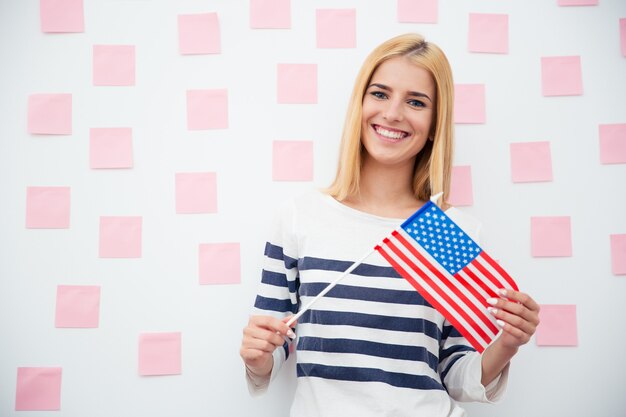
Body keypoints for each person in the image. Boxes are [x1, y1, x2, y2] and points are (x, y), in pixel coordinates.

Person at [239, 33, 540, 417]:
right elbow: (270, 349)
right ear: (360, 103)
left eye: (416, 102)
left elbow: (456, 374)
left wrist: (508, 342)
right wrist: (256, 356)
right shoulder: (302, 216)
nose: (393, 113)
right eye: (380, 94)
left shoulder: (444, 231)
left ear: (434, 124)